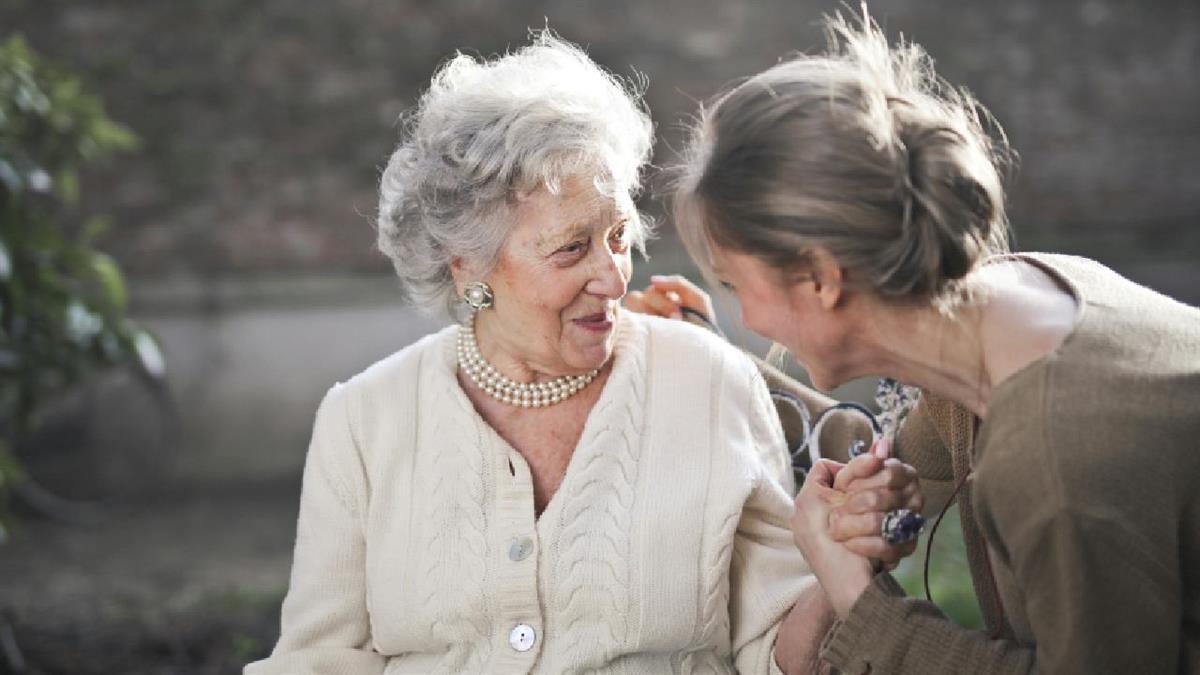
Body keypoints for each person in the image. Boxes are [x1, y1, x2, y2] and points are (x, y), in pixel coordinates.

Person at [245, 32, 919, 674]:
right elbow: (317, 659)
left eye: (619, 236)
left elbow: (775, 654)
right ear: (467, 264)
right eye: (572, 249)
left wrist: (838, 562)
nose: (614, 277)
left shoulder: (709, 382)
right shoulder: (363, 420)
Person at [661, 10, 1200, 674]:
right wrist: (699, 356)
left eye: (734, 284)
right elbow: (898, 466)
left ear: (821, 278)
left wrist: (862, 602)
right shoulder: (1011, 305)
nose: (746, 314)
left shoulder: (1054, 455)